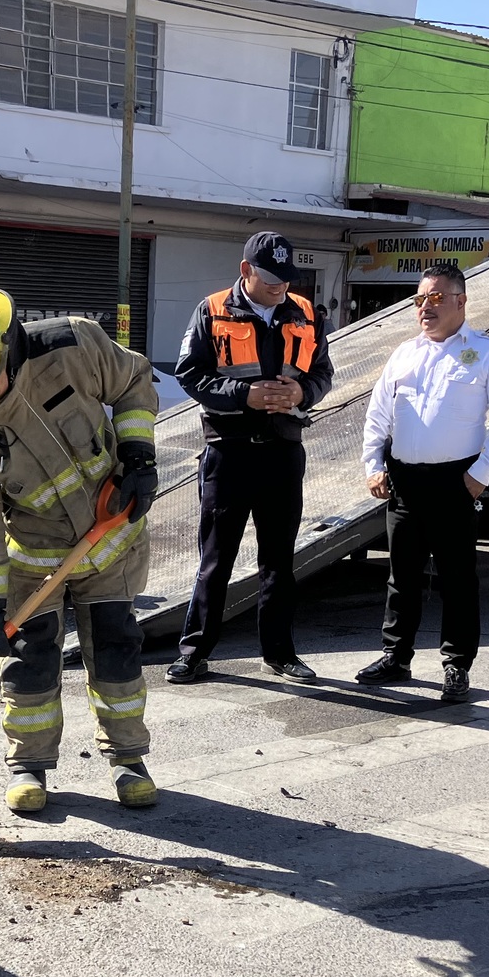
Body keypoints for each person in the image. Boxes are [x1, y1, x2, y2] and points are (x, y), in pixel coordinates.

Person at [0, 288, 161, 814]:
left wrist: (138, 454)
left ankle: (128, 759)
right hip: (32, 558)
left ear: (5, 350)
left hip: (110, 539)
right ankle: (29, 765)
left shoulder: (73, 345)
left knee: (117, 653)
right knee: (29, 663)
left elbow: (136, 381)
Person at [167, 232, 334, 686]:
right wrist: (245, 396)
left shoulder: (304, 312)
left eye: (286, 279)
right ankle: (194, 652)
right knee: (215, 559)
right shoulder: (212, 309)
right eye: (270, 279)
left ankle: (279, 654)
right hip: (229, 452)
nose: (280, 287)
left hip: (284, 451)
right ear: (246, 271)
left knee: (279, 559)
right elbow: (190, 373)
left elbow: (323, 373)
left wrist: (303, 392)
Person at [355, 262, 489, 703]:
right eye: (419, 299)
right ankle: (396, 656)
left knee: (457, 579)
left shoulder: (488, 352)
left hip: (455, 483)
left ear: (461, 301)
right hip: (405, 482)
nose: (425, 307)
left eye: (436, 298)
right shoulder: (404, 354)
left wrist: (479, 475)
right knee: (402, 576)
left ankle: (456, 665)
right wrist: (374, 464)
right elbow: (378, 415)